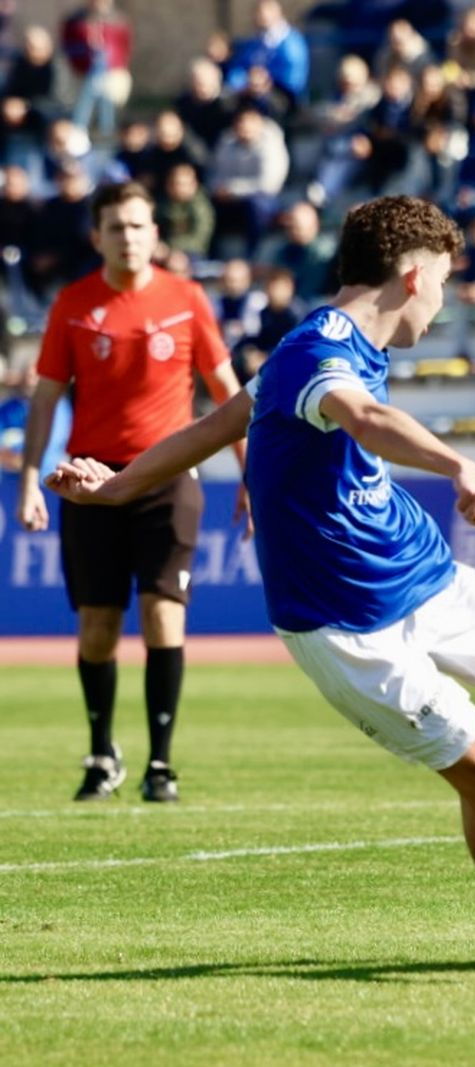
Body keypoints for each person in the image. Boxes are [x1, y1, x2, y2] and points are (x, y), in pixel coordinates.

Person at [46, 194, 475, 970]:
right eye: (446, 282)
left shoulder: (329, 345)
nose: (446, 299)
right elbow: (362, 416)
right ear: (413, 273)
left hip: (419, 571)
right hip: (345, 625)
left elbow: (209, 425)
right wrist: (458, 462)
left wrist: (120, 485)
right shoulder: (320, 354)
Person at [14, 181, 247, 804]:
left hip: (170, 474)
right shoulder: (73, 303)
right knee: (96, 626)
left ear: (156, 233)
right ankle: (101, 753)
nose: (129, 237)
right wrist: (32, 477)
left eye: (139, 226)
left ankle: (161, 764)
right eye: (116, 227)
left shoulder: (187, 298)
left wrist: (250, 470)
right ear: (97, 237)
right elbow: (44, 399)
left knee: (162, 613)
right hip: (91, 480)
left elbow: (228, 393)